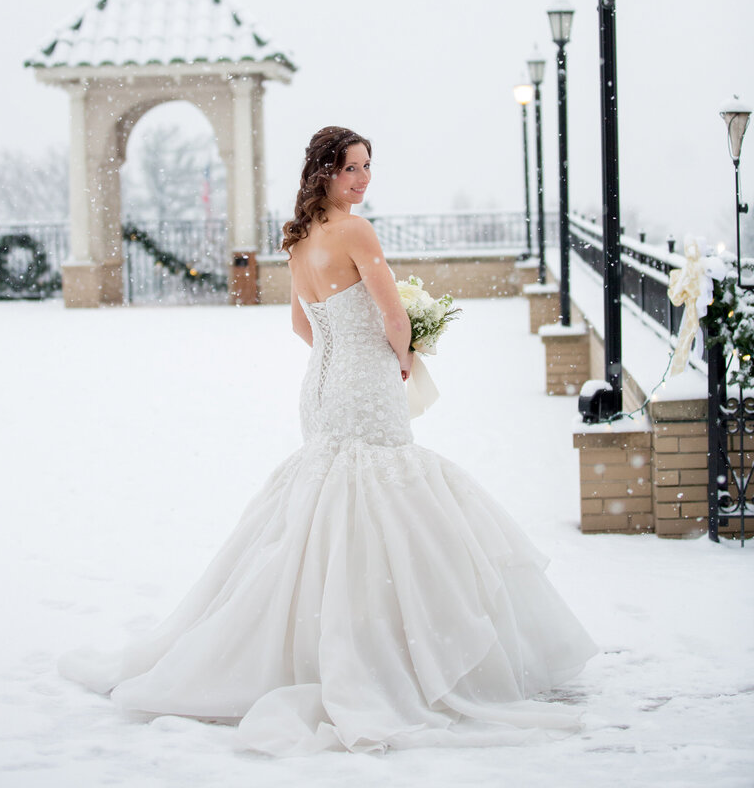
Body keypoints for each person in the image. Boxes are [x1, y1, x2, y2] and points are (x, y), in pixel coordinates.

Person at [60, 125, 597, 755]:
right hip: (364, 388)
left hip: (320, 386)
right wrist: (400, 354)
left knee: (329, 505)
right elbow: (393, 314)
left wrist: (343, 356)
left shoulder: (301, 239)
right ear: (325, 173)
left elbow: (299, 321)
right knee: (386, 498)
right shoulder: (356, 232)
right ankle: (394, 652)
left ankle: (305, 645)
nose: (363, 179)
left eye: (368, 167)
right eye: (351, 169)